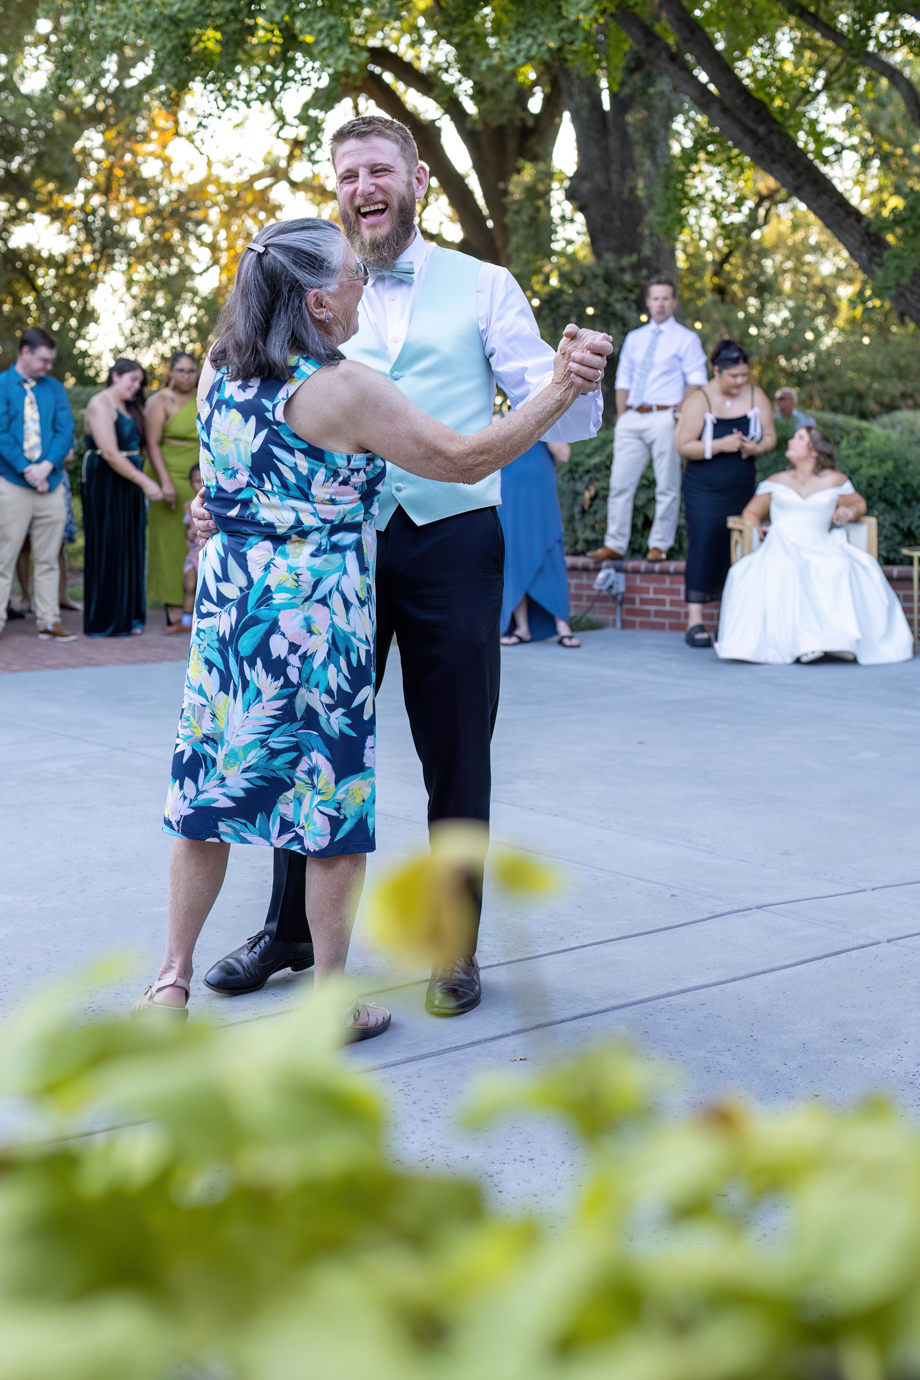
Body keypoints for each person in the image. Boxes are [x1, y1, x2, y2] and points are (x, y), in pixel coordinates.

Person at [132, 217, 606, 1029]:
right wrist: (562, 387)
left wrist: (218, 511)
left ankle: (169, 983)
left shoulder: (219, 369)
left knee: (209, 793)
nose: (363, 287)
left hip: (233, 619)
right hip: (317, 622)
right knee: (328, 804)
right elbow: (463, 459)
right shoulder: (344, 387)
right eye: (353, 277)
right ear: (318, 302)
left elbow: (225, 480)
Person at [716, 426, 913, 665]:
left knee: (840, 565)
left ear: (814, 451)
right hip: (782, 541)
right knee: (788, 567)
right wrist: (754, 527)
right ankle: (802, 643)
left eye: (799, 438)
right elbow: (752, 512)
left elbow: (858, 503)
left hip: (821, 541)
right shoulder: (775, 481)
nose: (791, 441)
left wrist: (848, 510)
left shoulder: (834, 480)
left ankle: (839, 641)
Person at [588, 278, 707, 563]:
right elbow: (624, 379)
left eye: (666, 298)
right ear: (648, 302)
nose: (660, 304)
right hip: (632, 417)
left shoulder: (687, 339)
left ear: (674, 302)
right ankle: (615, 544)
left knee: (667, 485)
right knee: (619, 484)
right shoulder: (635, 338)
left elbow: (697, 382)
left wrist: (677, 414)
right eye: (656, 298)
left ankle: (659, 545)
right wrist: (623, 416)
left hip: (665, 416)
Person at [676, 340, 777, 648]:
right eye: (734, 376)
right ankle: (695, 621)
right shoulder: (700, 399)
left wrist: (755, 448)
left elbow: (771, 437)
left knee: (739, 546)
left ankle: (732, 619)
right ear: (718, 371)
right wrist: (720, 445)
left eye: (745, 375)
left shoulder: (756, 395)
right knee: (705, 543)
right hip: (704, 489)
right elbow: (683, 446)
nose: (740, 381)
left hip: (741, 486)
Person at [0, 327, 77, 644]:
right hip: (12, 483)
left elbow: (64, 430)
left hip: (51, 483)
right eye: (43, 360)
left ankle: (48, 621)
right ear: (26, 352)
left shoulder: (54, 388)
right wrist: (26, 468)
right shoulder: (2, 385)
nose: (48, 366)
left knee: (48, 558)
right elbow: (1, 433)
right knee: (4, 556)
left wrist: (46, 466)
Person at [83, 359, 163, 637]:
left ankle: (129, 616)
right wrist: (146, 482)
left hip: (128, 483)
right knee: (110, 546)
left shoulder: (131, 407)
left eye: (140, 382)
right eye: (132, 379)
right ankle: (106, 620)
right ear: (115, 375)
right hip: (107, 482)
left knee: (130, 546)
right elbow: (110, 453)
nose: (136, 386)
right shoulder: (100, 403)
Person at [499, 440, 580, 647]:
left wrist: (540, 426)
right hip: (511, 493)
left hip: (541, 495)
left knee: (550, 550)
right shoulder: (499, 422)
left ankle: (563, 626)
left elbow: (564, 454)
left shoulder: (547, 425)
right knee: (514, 553)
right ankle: (522, 628)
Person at [144, 351, 201, 631]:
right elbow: (152, 444)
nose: (186, 376)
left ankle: (193, 609)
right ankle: (174, 610)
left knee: (194, 541)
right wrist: (165, 482)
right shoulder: (160, 401)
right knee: (170, 543)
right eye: (180, 370)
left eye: (191, 371)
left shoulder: (203, 397)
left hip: (197, 476)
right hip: (167, 473)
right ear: (170, 372)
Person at [176, 461, 201, 633]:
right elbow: (188, 529)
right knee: (189, 585)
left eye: (203, 481)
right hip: (193, 553)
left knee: (204, 587)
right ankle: (185, 622)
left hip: (206, 553)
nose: (200, 485)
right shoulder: (190, 505)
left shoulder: (214, 504)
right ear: (190, 483)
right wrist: (189, 534)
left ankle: (200, 621)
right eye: (197, 481)